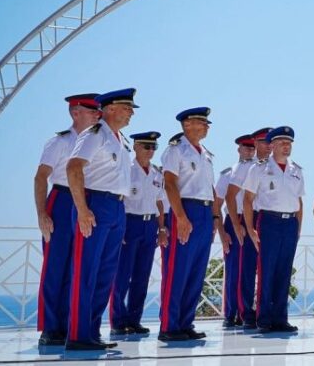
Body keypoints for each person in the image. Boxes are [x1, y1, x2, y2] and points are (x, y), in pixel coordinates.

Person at [65, 88, 137, 350]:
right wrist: (82, 210)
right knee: (86, 272)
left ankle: (92, 333)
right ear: (110, 109)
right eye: (127, 107)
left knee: (105, 274)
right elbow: (73, 168)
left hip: (117, 208)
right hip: (95, 204)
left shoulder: (120, 140)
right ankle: (77, 335)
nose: (131, 113)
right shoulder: (95, 134)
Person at [33, 93, 100, 346]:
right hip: (61, 200)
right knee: (55, 266)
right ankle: (51, 327)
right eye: (92, 110)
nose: (97, 114)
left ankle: (74, 325)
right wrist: (42, 213)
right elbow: (41, 176)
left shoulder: (95, 140)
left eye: (98, 111)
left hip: (87, 200)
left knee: (80, 266)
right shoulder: (60, 142)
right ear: (75, 113)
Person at [159, 107, 229, 342]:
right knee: (178, 271)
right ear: (187, 124)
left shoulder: (206, 154)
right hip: (185, 209)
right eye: (202, 122)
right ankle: (169, 326)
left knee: (196, 272)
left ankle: (185, 322)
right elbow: (169, 184)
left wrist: (212, 218)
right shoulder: (175, 150)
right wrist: (180, 217)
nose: (207, 126)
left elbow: (209, 189)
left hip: (203, 212)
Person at [241, 126, 305, 333]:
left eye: (289, 143)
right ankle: (264, 319)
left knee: (284, 272)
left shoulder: (297, 170)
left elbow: (299, 202)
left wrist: (298, 228)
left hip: (289, 224)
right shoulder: (258, 169)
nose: (287, 146)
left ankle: (280, 318)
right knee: (266, 271)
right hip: (269, 221)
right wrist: (250, 229)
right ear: (272, 145)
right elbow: (248, 200)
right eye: (282, 143)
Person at [109, 131, 166, 336]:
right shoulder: (127, 170)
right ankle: (117, 321)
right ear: (135, 147)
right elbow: (119, 200)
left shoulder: (157, 173)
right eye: (146, 146)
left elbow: (160, 202)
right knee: (122, 275)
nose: (150, 151)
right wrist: (119, 227)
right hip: (129, 223)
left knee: (142, 276)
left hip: (149, 225)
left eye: (153, 147)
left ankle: (134, 320)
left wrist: (161, 228)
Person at [216, 134, 257, 328]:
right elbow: (217, 205)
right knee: (235, 270)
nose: (250, 151)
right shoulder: (228, 173)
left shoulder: (260, 169)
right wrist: (222, 232)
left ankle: (247, 311)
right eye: (246, 147)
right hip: (236, 220)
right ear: (238, 149)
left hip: (257, 219)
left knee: (251, 270)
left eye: (252, 148)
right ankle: (232, 313)